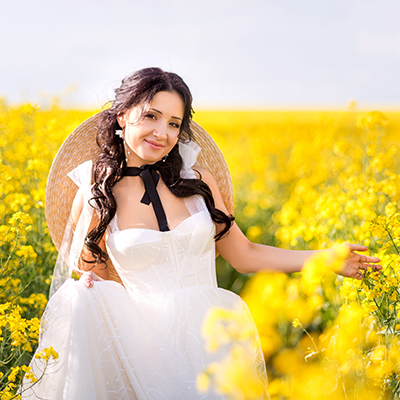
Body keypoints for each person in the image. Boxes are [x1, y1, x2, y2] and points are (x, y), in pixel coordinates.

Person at [22, 67, 381, 399]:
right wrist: (86, 286)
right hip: (144, 349)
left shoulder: (198, 182)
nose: (162, 133)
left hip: (213, 337)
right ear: (122, 116)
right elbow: (96, 282)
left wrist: (325, 259)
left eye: (174, 123)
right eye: (151, 116)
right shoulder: (95, 194)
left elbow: (244, 255)